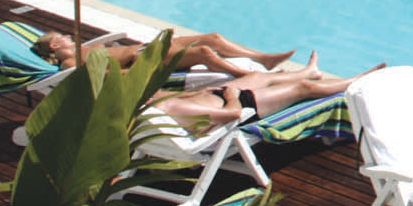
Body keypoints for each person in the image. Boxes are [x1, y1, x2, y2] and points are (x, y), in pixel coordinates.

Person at [154, 59, 381, 132]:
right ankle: (357, 82)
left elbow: (167, 99)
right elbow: (232, 114)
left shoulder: (149, 107)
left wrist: (197, 93)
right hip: (240, 107)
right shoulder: (170, 110)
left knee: (258, 76)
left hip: (219, 97)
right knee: (303, 88)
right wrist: (232, 95)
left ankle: (310, 71)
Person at [37, 28, 296, 78]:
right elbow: (100, 75)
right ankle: (243, 74)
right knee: (205, 51)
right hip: (143, 59)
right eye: (62, 37)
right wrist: (136, 72)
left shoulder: (83, 48)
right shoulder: (69, 62)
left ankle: (263, 58)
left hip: (147, 48)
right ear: (54, 46)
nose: (68, 36)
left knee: (213, 38)